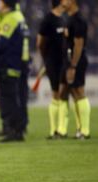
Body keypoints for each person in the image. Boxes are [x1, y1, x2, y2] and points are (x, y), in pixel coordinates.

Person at [0, 0, 30, 142]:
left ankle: (15, 131)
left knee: (10, 99)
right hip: (14, 64)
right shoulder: (15, 17)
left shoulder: (11, 18)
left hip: (10, 64)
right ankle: (13, 129)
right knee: (11, 98)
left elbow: (2, 43)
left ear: (6, 4)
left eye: (0, 2)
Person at [57, 0, 90, 139]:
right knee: (63, 92)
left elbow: (79, 45)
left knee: (79, 92)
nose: (61, 2)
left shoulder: (78, 21)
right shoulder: (69, 19)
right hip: (67, 61)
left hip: (75, 62)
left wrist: (73, 66)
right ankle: (62, 130)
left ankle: (84, 131)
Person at [37, 0, 67, 139]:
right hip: (53, 62)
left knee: (63, 94)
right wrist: (46, 59)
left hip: (65, 61)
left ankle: (61, 130)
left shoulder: (64, 18)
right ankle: (54, 130)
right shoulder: (48, 20)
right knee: (57, 94)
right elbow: (39, 43)